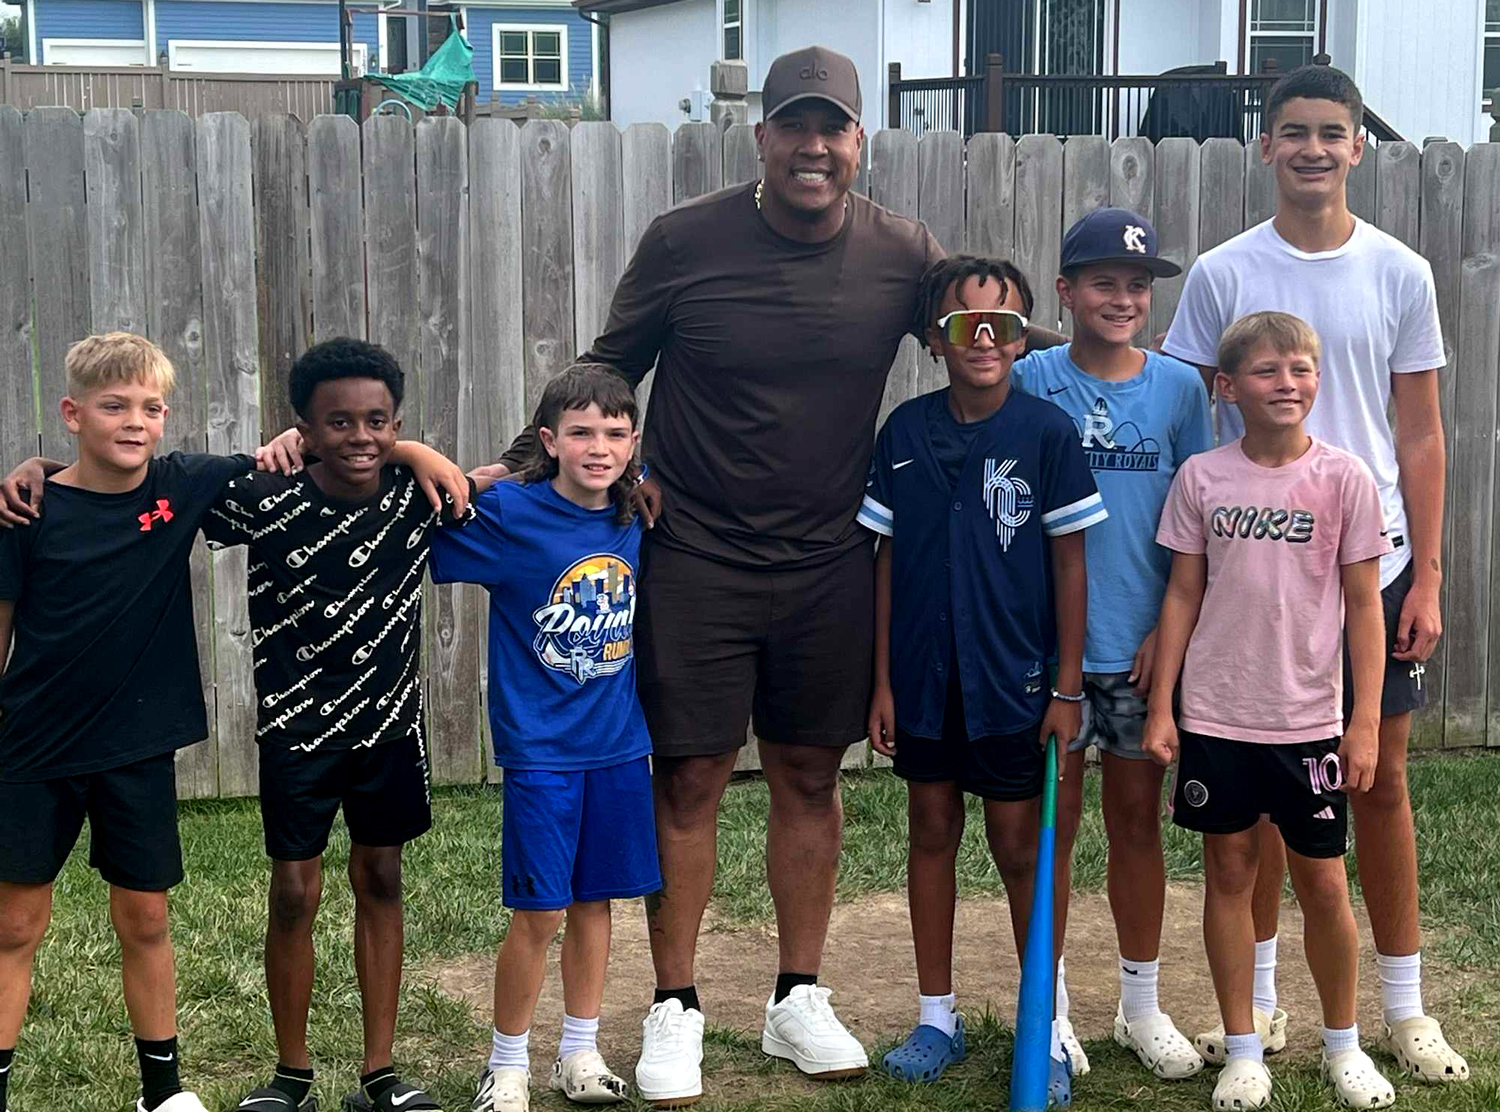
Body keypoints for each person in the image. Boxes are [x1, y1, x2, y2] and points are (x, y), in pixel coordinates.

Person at [478, 45, 966, 1103]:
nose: (814, 145)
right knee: (690, 776)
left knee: (808, 775)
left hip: (833, 556)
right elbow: (610, 368)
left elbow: (983, 346)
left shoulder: (900, 251)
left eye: (832, 127)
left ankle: (798, 995)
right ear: (762, 138)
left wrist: (1126, 364)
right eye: (795, 125)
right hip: (694, 554)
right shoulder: (685, 239)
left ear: (858, 142)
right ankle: (675, 1005)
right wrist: (523, 462)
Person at [1161, 64, 1464, 1084]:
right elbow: (1182, 415)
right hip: (1249, 574)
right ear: (1266, 146)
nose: (1312, 149)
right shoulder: (1220, 272)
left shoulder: (1400, 271)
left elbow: (1419, 433)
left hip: (1367, 573)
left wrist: (1425, 577)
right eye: (1293, 132)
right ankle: (1264, 1007)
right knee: (1246, 812)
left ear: (1357, 147)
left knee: (1373, 785)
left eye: (1331, 133)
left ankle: (1404, 1009)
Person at [191, 337, 473, 1112]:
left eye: (378, 421)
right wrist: (40, 472)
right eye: (338, 422)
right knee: (293, 891)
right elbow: (154, 486)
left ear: (398, 422)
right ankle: (291, 1074)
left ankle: (380, 1075)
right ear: (304, 430)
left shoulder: (417, 495)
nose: (360, 437)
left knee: (382, 877)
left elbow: (529, 472)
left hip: (387, 730)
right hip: (296, 731)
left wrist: (416, 452)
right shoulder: (266, 496)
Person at [862, 255, 1107, 1101]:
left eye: (1003, 326)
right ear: (937, 340)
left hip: (1016, 684)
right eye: (967, 326)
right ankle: (937, 1016)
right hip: (926, 681)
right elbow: (887, 562)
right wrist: (884, 681)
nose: (986, 340)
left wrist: (1068, 687)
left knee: (1019, 848)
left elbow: (1072, 566)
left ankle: (1049, 1022)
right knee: (929, 830)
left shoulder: (1046, 433)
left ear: (1021, 336)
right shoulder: (903, 433)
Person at [0, 333, 260, 1112]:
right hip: (34, 746)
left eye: (150, 408)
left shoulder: (183, 487)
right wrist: (27, 469)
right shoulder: (26, 511)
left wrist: (416, 454)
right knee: (14, 926)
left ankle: (163, 1091)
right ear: (72, 414)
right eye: (114, 406)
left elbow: (299, 454)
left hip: (136, 748)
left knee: (145, 915)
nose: (135, 421)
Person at [1144, 310, 1396, 1111]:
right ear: (1227, 387)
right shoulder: (1204, 479)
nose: (1287, 384)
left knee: (1323, 883)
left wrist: (1361, 724)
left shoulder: (1345, 479)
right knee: (1229, 872)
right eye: (1266, 371)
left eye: (1301, 369)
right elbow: (1182, 593)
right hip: (1217, 718)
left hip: (1309, 723)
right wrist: (1163, 709)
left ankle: (1344, 1046)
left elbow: (1365, 606)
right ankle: (1243, 1047)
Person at [1010, 209, 1211, 1082]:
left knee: (1136, 825)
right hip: (1047, 652)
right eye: (1103, 282)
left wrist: (1166, 638)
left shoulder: (1177, 390)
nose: (1122, 298)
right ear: (1066, 292)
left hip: (1136, 648)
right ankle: (1047, 1010)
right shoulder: (1028, 380)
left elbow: (1193, 529)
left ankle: (1139, 1002)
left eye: (1137, 285)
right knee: (1050, 830)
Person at [428, 366, 661, 1112]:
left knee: (597, 905)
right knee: (540, 913)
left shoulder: (634, 513)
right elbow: (428, 520)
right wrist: (466, 472)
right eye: (582, 432)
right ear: (549, 440)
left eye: (616, 433)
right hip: (542, 753)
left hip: (620, 747)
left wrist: (645, 470)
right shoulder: (510, 516)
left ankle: (579, 1052)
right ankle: (506, 1065)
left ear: (633, 444)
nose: (600, 447)